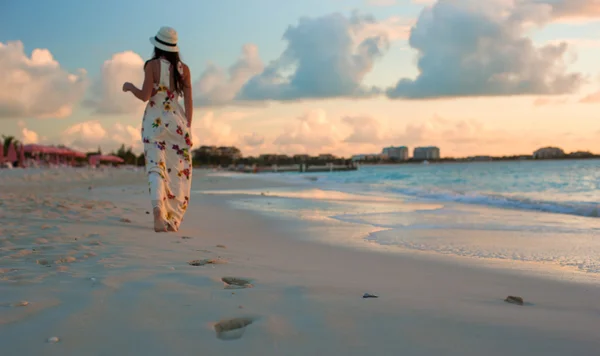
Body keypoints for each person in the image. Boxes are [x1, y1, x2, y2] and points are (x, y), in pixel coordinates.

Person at [122, 26, 193, 232]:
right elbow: (188, 102)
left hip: (154, 121)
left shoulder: (152, 66)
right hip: (176, 123)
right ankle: (173, 219)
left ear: (157, 46)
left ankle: (157, 214)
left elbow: (145, 96)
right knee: (178, 170)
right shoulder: (184, 70)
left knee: (155, 167)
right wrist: (188, 127)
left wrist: (129, 87)